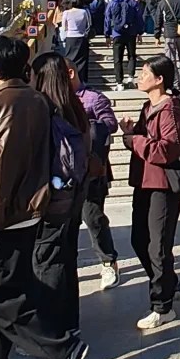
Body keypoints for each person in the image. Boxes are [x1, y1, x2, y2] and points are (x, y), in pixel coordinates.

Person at [0, 36, 88, 359]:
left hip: (0, 211)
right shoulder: (37, 101)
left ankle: (60, 349)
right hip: (32, 207)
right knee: (13, 288)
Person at [121, 55, 180, 331]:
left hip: (162, 184)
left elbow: (167, 149)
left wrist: (134, 140)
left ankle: (163, 307)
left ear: (159, 80)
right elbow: (144, 139)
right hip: (144, 180)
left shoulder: (170, 109)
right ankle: (170, 284)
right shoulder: (147, 106)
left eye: (144, 73)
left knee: (158, 246)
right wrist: (132, 132)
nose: (140, 77)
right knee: (139, 239)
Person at [30, 53, 91, 342]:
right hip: (74, 193)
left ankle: (53, 332)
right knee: (66, 257)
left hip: (52, 199)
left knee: (47, 261)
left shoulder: (44, 110)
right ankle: (70, 321)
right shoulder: (74, 105)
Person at [69, 59, 121, 290]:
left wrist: (86, 126)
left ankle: (108, 261)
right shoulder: (53, 100)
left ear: (70, 73)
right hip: (65, 173)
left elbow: (110, 124)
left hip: (91, 171)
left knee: (93, 217)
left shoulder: (93, 98)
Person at [106, 0, 142, 89]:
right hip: (131, 33)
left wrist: (107, 35)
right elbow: (139, 18)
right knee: (131, 56)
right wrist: (139, 33)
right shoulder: (133, 2)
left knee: (117, 59)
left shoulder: (112, 2)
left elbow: (107, 18)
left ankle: (119, 83)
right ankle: (130, 77)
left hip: (117, 33)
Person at [58, 0, 92, 86]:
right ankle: (82, 81)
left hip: (70, 38)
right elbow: (88, 25)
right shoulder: (84, 12)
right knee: (82, 61)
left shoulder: (66, 13)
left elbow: (64, 27)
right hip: (81, 38)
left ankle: (69, 80)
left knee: (69, 60)